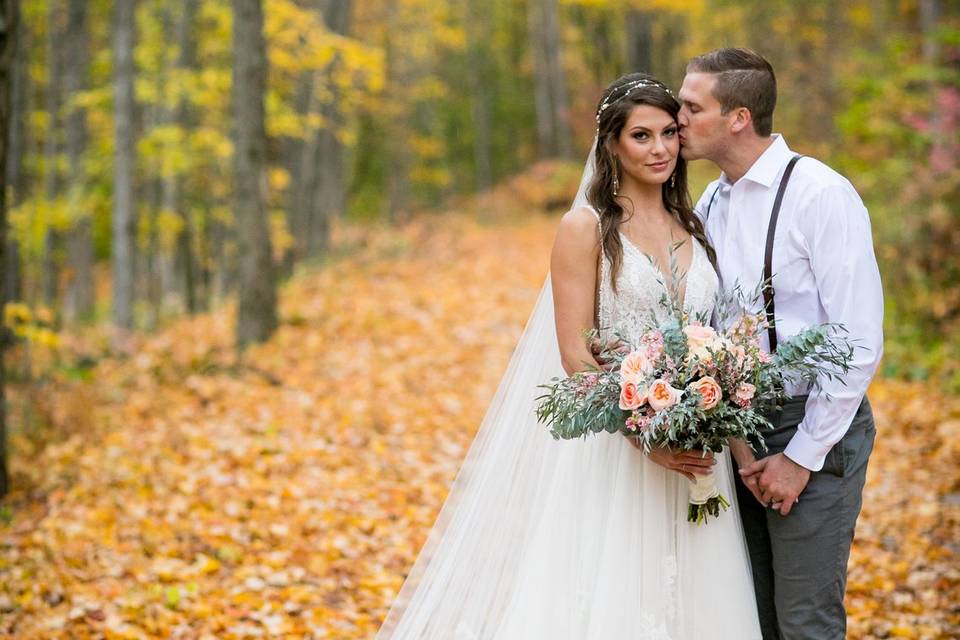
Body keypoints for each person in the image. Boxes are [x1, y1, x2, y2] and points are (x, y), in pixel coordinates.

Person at [375, 73, 762, 639]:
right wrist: (643, 437)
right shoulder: (585, 229)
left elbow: (715, 348)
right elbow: (576, 355)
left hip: (701, 461)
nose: (660, 149)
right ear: (612, 145)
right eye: (641, 136)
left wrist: (738, 447)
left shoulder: (693, 224)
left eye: (669, 134)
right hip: (623, 452)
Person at [677, 48, 884, 640]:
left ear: (738, 117)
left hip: (812, 428)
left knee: (805, 623)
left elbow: (857, 340)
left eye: (694, 106)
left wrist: (801, 457)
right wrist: (732, 441)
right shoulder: (710, 201)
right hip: (734, 431)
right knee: (751, 618)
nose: (679, 116)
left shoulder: (820, 194)